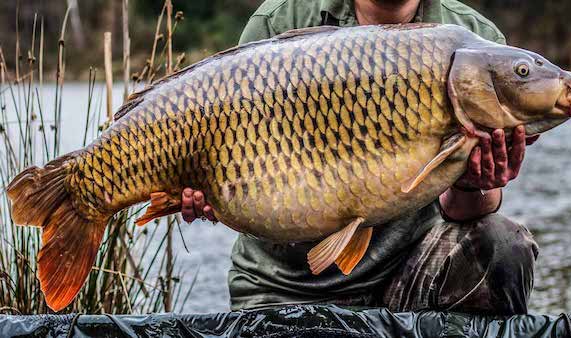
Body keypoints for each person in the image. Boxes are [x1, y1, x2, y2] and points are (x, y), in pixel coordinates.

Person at [181, 0, 540, 315]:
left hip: (407, 274)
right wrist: (211, 191)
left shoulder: (475, 39)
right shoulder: (280, 20)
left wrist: (475, 182)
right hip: (282, 285)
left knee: (504, 244)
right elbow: (229, 162)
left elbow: (463, 211)